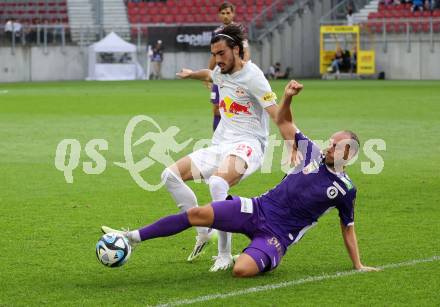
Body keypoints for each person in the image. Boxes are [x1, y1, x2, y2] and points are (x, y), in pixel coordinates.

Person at [102, 80, 379, 277]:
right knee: (198, 213)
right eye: (330, 142)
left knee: (241, 270)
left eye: (337, 146)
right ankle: (131, 238)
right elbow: (283, 122)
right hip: (255, 209)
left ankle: (256, 253)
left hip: (277, 235)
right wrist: (289, 97)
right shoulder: (310, 154)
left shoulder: (344, 189)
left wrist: (357, 264)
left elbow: (348, 227)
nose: (330, 147)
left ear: (350, 154)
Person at [103, 24, 294, 272]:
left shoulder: (254, 77)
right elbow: (209, 74)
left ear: (236, 50)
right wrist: (192, 73)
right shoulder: (220, 70)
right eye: (214, 54)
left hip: (249, 145)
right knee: (169, 175)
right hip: (220, 144)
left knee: (217, 183)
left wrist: (293, 145)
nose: (217, 59)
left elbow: (278, 115)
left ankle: (223, 254)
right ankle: (203, 230)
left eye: (221, 53)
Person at [209, 2, 251, 132]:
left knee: (234, 108)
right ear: (219, 15)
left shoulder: (238, 30)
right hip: (220, 75)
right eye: (223, 13)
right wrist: (209, 74)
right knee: (216, 109)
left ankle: (235, 138)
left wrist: (242, 71)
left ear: (233, 14)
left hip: (235, 75)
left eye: (228, 13)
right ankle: (217, 141)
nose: (226, 16)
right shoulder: (216, 32)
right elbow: (214, 55)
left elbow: (246, 51)